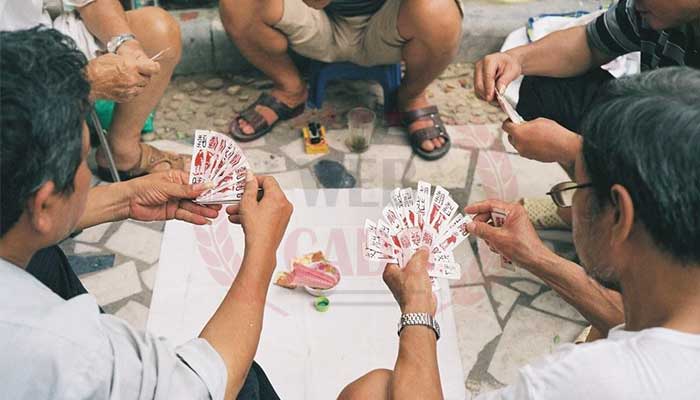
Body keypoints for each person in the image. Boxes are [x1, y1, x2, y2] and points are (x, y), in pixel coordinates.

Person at [339, 67, 700, 399]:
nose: (571, 208)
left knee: (370, 392)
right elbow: (627, 320)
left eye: (577, 188)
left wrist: (417, 308)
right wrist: (536, 256)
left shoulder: (584, 381)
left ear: (620, 215)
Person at [0, 28, 293, 400]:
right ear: (43, 205)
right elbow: (205, 385)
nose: (91, 174)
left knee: (42, 257)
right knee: (246, 383)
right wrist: (262, 252)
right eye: (83, 161)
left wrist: (124, 198)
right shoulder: (67, 351)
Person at [474, 0, 700, 229]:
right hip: (656, 137)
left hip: (686, 181)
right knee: (548, 86)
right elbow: (591, 43)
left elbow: (685, 171)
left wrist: (574, 149)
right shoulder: (651, 10)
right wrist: (517, 60)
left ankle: (633, 228)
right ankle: (604, 209)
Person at [219, 0, 463, 160]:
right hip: (317, 20)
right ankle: (289, 88)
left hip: (390, 24)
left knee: (439, 10)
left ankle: (411, 96)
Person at [0, 0, 189, 181]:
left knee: (157, 29)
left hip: (43, 37)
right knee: (47, 182)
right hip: (9, 72)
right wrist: (85, 80)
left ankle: (122, 151)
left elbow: (92, 1)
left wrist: (126, 45)